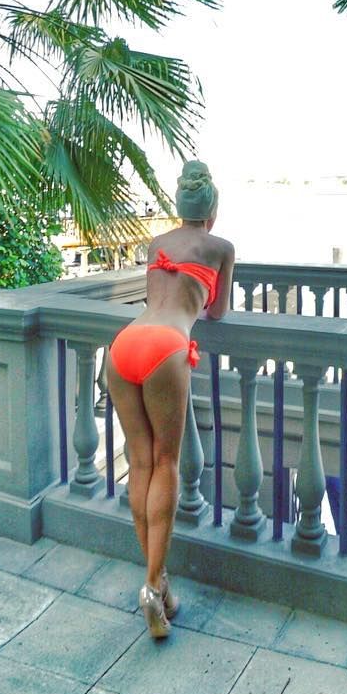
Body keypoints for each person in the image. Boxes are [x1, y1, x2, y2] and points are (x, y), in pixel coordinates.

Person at [106, 161, 235, 638]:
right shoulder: (221, 248)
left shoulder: (156, 243)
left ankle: (159, 587)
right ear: (212, 211)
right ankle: (151, 585)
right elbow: (217, 311)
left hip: (125, 343)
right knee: (167, 463)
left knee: (139, 464)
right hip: (166, 347)